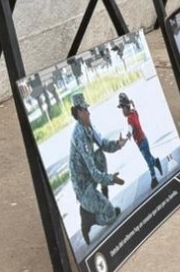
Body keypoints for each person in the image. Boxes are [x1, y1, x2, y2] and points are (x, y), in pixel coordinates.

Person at [68, 93, 129, 245]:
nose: (89, 112)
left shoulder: (88, 127)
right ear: (79, 113)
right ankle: (90, 218)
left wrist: (118, 144)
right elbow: (94, 173)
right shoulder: (79, 137)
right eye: (85, 110)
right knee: (110, 215)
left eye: (87, 109)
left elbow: (103, 144)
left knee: (99, 154)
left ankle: (102, 200)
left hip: (89, 178)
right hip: (83, 188)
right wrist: (111, 179)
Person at [119, 93, 164, 188]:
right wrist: (132, 103)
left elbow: (130, 130)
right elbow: (134, 108)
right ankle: (156, 162)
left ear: (126, 107)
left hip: (141, 143)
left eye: (123, 108)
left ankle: (154, 179)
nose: (122, 111)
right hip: (144, 139)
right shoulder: (134, 113)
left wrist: (124, 140)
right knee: (149, 156)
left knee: (148, 160)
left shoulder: (129, 119)